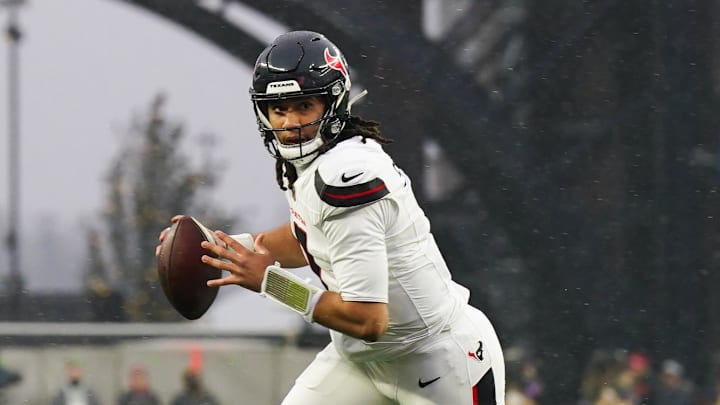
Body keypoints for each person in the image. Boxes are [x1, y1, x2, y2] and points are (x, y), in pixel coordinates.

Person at [157, 30, 506, 404]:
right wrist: (226, 249)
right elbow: (308, 236)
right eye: (280, 109)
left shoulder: (347, 177)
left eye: (304, 106)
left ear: (333, 103)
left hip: (436, 361)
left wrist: (270, 282)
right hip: (362, 361)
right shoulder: (317, 164)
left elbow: (369, 319)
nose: (290, 123)